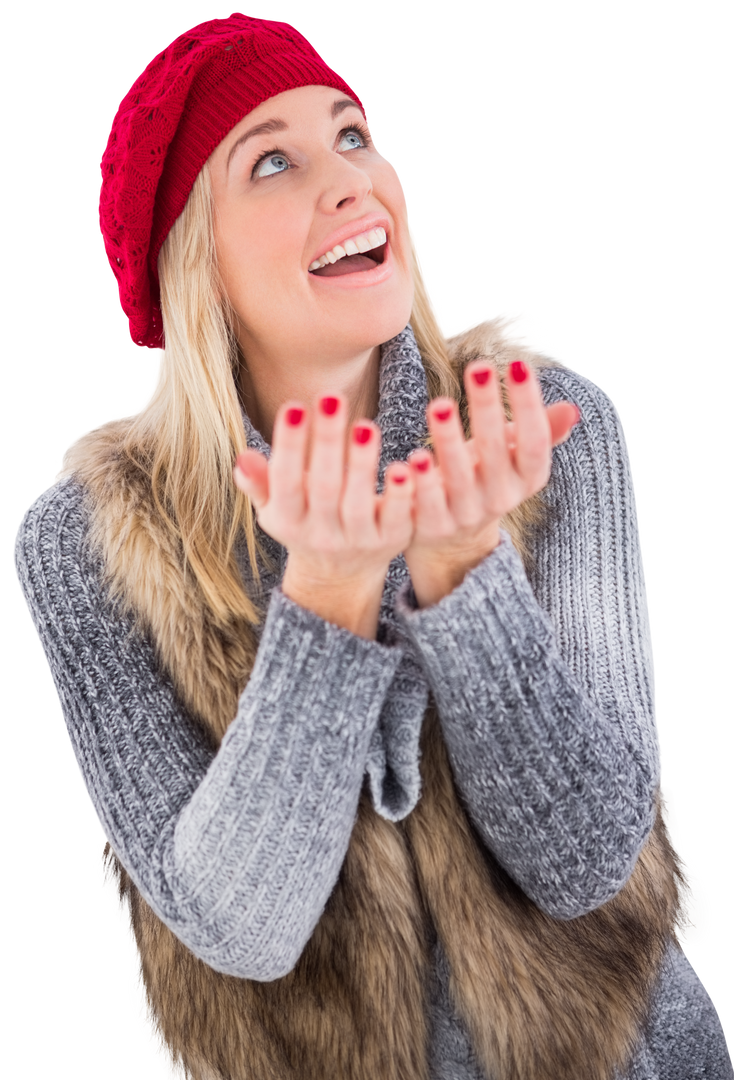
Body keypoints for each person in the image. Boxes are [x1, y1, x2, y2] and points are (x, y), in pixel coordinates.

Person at [10, 12, 731, 1080]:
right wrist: (328, 600)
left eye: (353, 134)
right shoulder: (85, 541)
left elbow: (588, 862)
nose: (349, 179)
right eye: (273, 161)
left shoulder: (541, 427)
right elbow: (237, 931)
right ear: (193, 264)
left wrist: (464, 577)